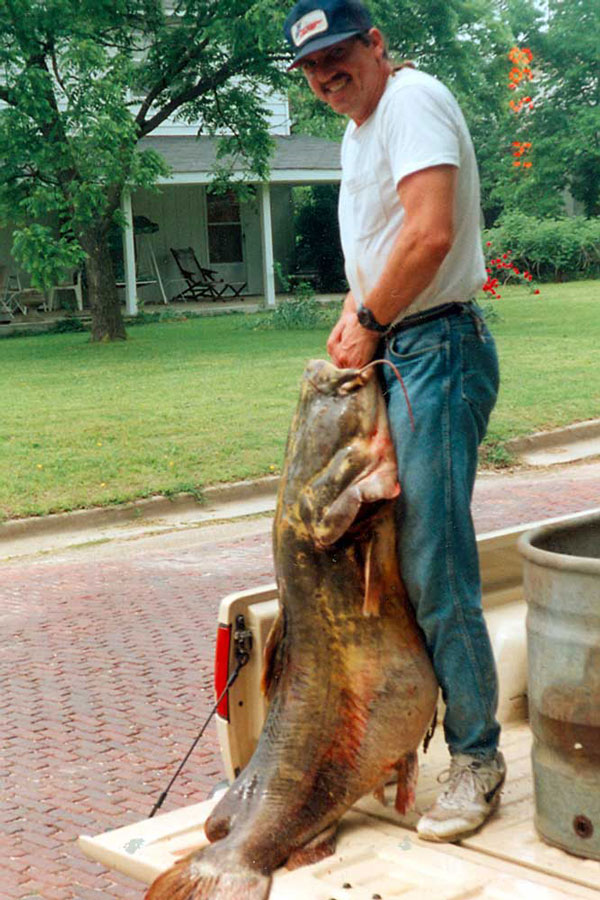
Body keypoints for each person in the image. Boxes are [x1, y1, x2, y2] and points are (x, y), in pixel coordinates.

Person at [283, 0, 505, 842]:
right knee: (381, 557)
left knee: (433, 563)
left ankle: (478, 759)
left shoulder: (409, 102)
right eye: (309, 67)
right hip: (401, 347)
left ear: (375, 44)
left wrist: (373, 321)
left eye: (338, 54)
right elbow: (380, 247)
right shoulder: (359, 128)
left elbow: (430, 232)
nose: (325, 76)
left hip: (436, 348)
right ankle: (399, 748)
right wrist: (355, 321)